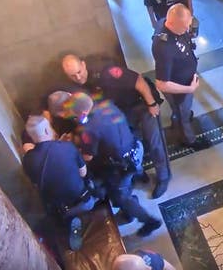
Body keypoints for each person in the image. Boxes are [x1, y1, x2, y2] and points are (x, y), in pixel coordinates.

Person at [61, 54, 170, 199]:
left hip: (141, 103)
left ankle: (164, 176)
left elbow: (138, 80)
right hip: (121, 111)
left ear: (83, 64)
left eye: (79, 72)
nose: (78, 78)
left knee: (155, 140)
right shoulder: (75, 87)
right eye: (73, 76)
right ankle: (139, 173)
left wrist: (151, 103)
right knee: (130, 142)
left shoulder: (105, 71)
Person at [62, 92, 162, 237]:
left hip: (123, 165)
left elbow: (87, 156)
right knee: (131, 178)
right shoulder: (106, 104)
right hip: (136, 148)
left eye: (75, 115)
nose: (75, 118)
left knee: (121, 197)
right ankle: (137, 188)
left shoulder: (89, 129)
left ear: (83, 113)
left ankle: (149, 221)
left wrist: (71, 146)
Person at [22, 116, 97, 250]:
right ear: (46, 130)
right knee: (92, 184)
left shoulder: (27, 160)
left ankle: (70, 227)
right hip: (83, 202)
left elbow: (35, 182)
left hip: (57, 209)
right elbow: (83, 173)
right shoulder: (68, 147)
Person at [152, 3, 211, 151]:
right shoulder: (164, 48)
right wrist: (188, 88)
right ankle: (188, 139)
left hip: (185, 79)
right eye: (184, 27)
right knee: (182, 112)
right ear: (171, 23)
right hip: (179, 88)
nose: (187, 30)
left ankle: (180, 116)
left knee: (183, 109)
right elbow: (162, 84)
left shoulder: (169, 23)